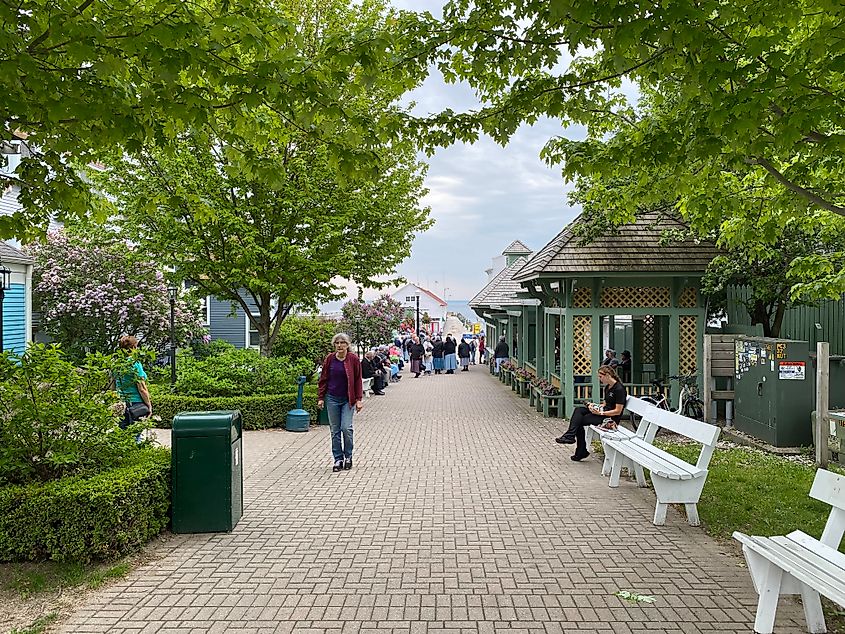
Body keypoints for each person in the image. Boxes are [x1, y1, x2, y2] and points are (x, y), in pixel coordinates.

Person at [555, 365, 627, 461]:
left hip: (610, 418)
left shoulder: (619, 389)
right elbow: (605, 404)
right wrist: (594, 406)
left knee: (578, 422)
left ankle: (578, 447)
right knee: (578, 410)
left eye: (600, 377)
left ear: (608, 375)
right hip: (603, 412)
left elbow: (618, 411)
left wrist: (600, 414)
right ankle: (572, 439)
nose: (599, 379)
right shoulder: (608, 387)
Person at [318, 333, 363, 472]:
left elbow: (357, 379)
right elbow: (323, 378)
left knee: (346, 428)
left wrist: (359, 399)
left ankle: (348, 456)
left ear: (347, 345)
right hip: (332, 398)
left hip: (347, 399)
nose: (339, 345)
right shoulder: (330, 359)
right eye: (337, 343)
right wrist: (320, 397)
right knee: (335, 430)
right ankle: (338, 459)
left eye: (342, 343)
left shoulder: (353, 359)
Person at [115, 335, 151, 430]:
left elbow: (113, 386)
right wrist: (149, 405)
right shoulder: (134, 363)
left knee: (123, 434)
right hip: (136, 403)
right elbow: (141, 388)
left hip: (121, 404)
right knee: (135, 433)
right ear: (134, 347)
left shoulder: (116, 363)